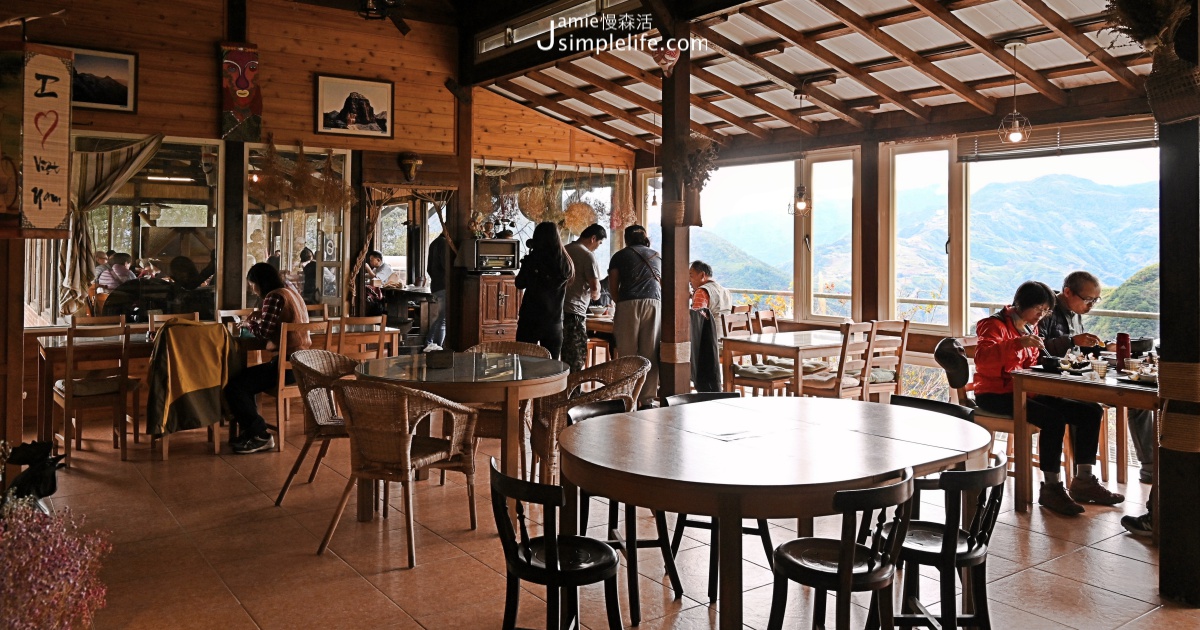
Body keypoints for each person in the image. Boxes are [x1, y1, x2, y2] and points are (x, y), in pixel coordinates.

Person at [973, 280, 1124, 515]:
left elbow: (1031, 364)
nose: (1040, 316)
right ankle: (1051, 488)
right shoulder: (993, 324)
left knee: (1090, 410)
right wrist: (1017, 344)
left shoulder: (1029, 328)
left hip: (1024, 390)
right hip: (994, 393)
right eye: (1038, 310)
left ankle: (1084, 480)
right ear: (1021, 304)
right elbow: (982, 359)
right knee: (1052, 419)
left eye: (1045, 312)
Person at [1040, 270, 1155, 485]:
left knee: (1139, 400)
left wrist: (1102, 349)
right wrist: (1074, 341)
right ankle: (1082, 476)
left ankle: (1149, 468)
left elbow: (1077, 350)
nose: (1091, 305)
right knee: (1088, 409)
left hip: (1078, 376)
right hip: (1056, 382)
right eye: (1088, 299)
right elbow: (1038, 349)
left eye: (1095, 300)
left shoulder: (1075, 312)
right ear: (1067, 292)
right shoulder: (1045, 310)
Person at [224, 263, 310, 454]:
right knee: (247, 381)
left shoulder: (273, 296)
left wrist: (248, 324)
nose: (252, 289)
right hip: (303, 365)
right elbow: (279, 324)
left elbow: (263, 333)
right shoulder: (291, 293)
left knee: (235, 386)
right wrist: (259, 319)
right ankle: (252, 432)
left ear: (259, 282)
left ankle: (260, 435)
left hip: (286, 366)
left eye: (252, 284)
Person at [609, 224, 661, 408]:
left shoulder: (620, 256)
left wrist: (621, 303)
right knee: (650, 352)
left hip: (628, 303)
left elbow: (613, 286)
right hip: (654, 303)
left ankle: (627, 396)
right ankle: (647, 399)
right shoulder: (656, 255)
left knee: (627, 352)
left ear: (626, 238)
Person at [514, 223, 574, 359]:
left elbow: (519, 283)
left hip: (530, 319)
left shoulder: (533, 259)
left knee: (525, 364)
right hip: (554, 321)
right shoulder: (564, 261)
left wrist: (527, 262)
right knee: (552, 366)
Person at [561, 224, 606, 372]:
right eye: (599, 243)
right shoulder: (587, 255)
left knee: (560, 357)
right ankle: (574, 393)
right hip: (575, 312)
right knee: (576, 357)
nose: (598, 247)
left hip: (558, 311)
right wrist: (596, 295)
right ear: (593, 238)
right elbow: (595, 287)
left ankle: (558, 392)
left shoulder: (564, 250)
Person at [688, 260, 734, 337]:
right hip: (725, 337)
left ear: (702, 275)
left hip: (710, 340)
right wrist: (694, 296)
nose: (689, 280)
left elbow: (696, 321)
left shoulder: (701, 291)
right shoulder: (725, 291)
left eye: (691, 276)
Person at [426, 232, 448, 348]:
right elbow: (446, 265)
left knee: (442, 318)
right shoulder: (444, 243)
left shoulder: (434, 243)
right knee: (443, 319)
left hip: (436, 285)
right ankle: (435, 346)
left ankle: (432, 344)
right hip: (444, 285)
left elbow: (428, 269)